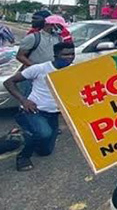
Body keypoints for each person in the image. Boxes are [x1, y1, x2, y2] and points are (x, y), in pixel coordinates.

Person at [3, 42, 75, 171]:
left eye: (72, 54)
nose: (69, 57)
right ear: (56, 55)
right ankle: (23, 157)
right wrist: (23, 100)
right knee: (43, 134)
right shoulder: (40, 69)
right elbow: (9, 82)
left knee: (45, 151)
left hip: (53, 115)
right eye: (65, 54)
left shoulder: (73, 71)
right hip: (34, 111)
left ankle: (21, 134)